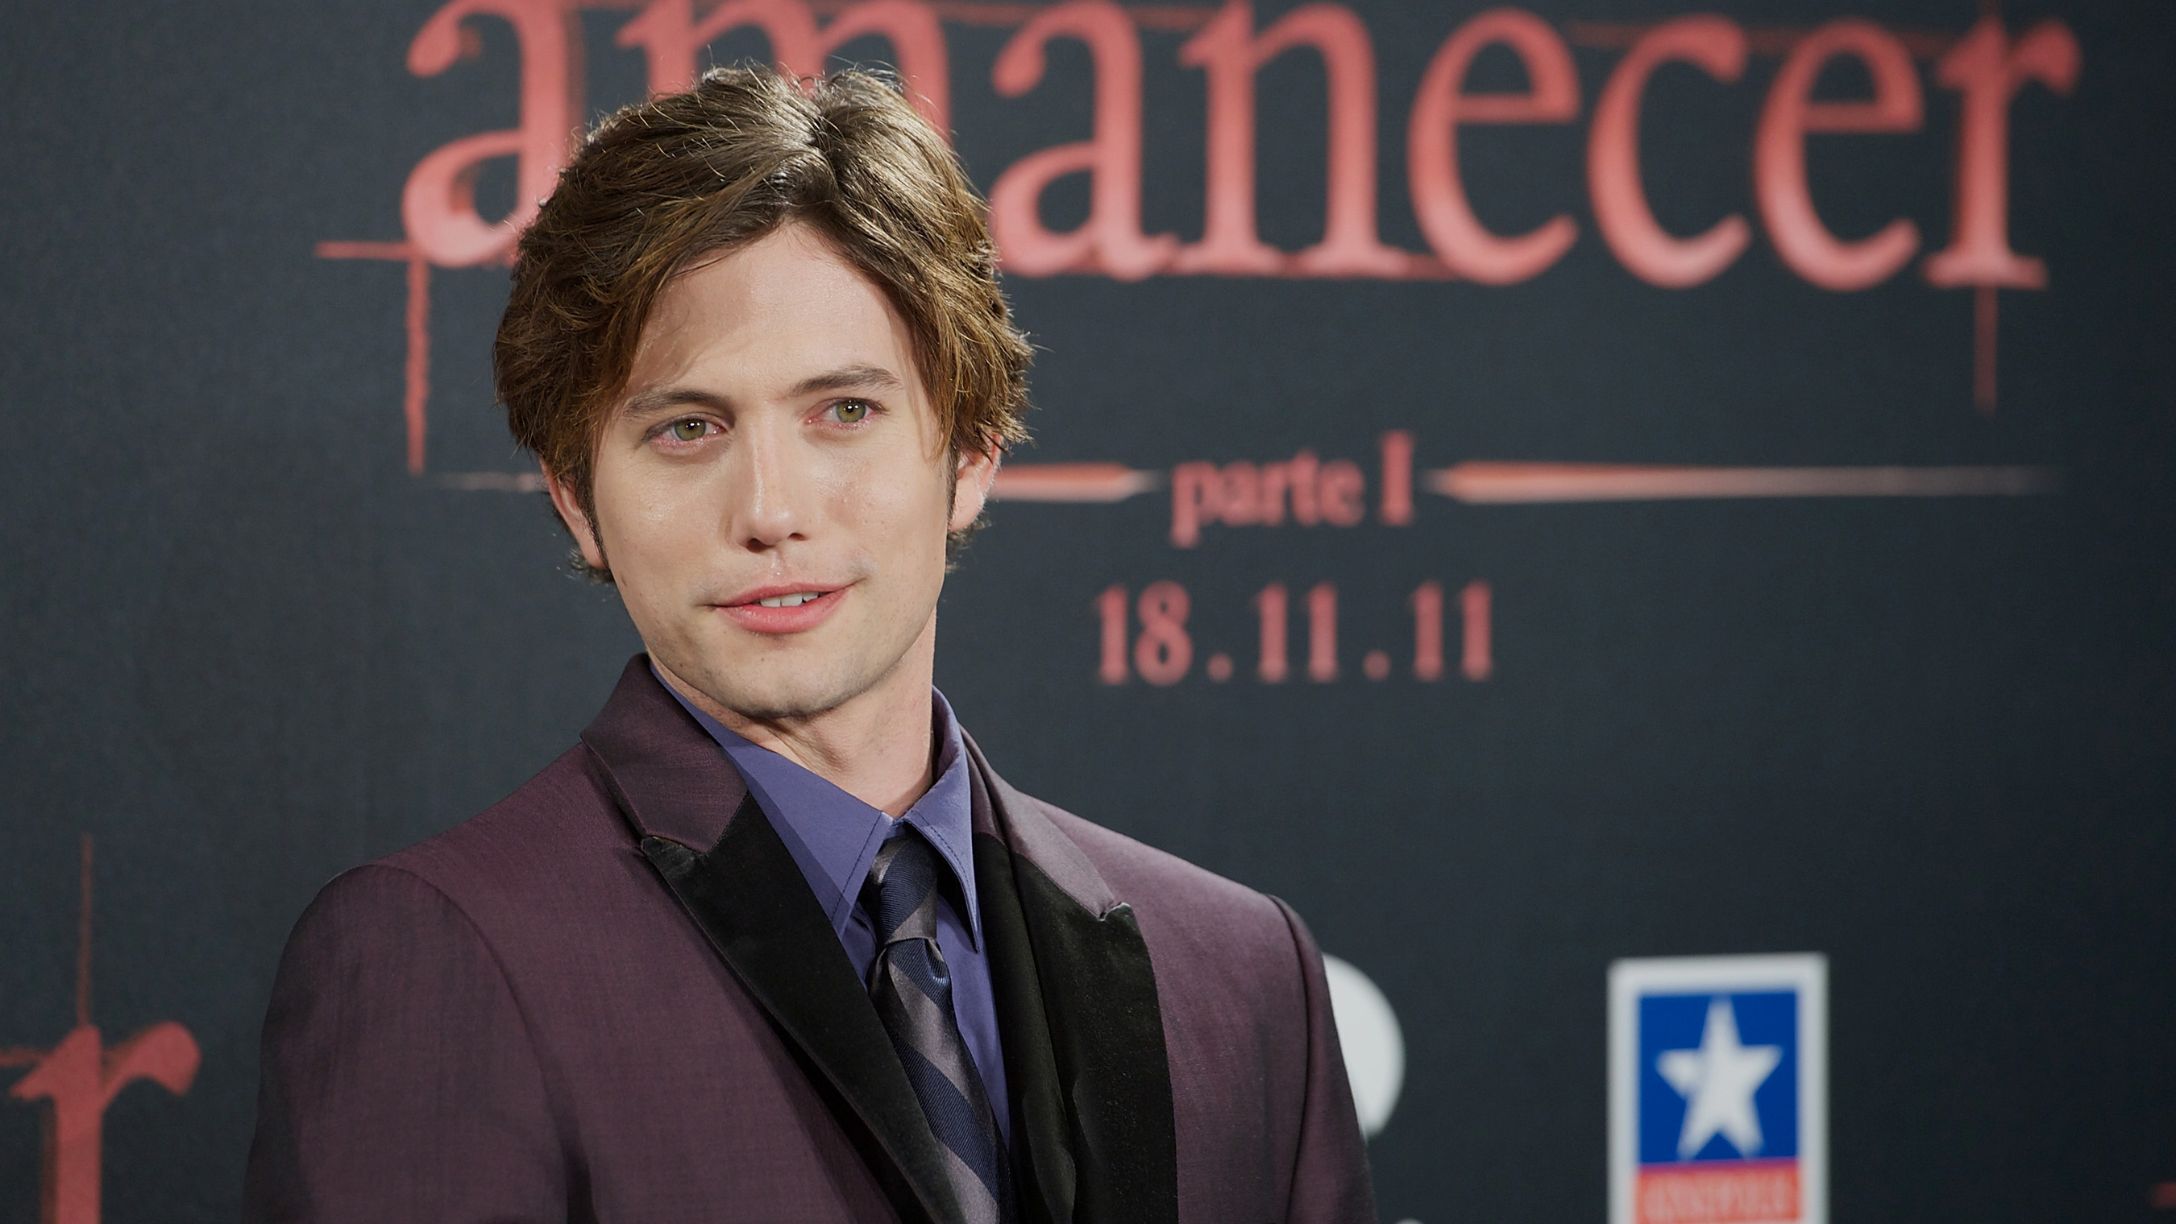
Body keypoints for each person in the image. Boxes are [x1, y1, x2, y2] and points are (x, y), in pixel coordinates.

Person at [243, 64, 1375, 1224]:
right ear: (578, 498)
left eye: (844, 412)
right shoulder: (442, 962)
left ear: (973, 449)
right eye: (688, 428)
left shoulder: (1242, 979)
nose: (770, 509)